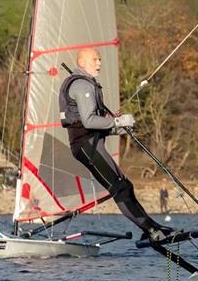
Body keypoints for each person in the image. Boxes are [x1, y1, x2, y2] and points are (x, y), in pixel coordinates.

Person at [59, 48, 173, 241]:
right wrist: (118, 122)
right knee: (119, 188)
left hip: (90, 143)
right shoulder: (82, 86)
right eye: (95, 59)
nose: (99, 63)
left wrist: (118, 128)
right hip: (87, 146)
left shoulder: (86, 85)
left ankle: (152, 228)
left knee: (124, 186)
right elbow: (88, 122)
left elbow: (93, 125)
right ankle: (151, 231)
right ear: (82, 63)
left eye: (100, 59)